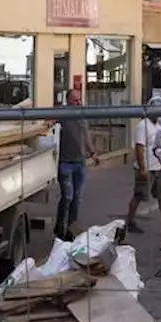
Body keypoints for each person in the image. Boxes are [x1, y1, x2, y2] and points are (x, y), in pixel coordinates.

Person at [126, 97, 161, 243]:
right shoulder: (143, 126)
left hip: (158, 167)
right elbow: (139, 147)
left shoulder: (159, 125)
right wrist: (142, 168)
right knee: (139, 195)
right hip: (147, 167)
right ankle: (129, 220)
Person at [54, 89, 99, 240]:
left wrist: (92, 153)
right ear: (68, 101)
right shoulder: (62, 114)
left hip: (79, 162)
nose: (78, 103)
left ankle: (71, 228)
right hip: (65, 162)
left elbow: (86, 135)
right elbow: (47, 122)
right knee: (67, 196)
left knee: (77, 197)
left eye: (80, 100)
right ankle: (60, 227)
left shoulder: (82, 115)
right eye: (75, 100)